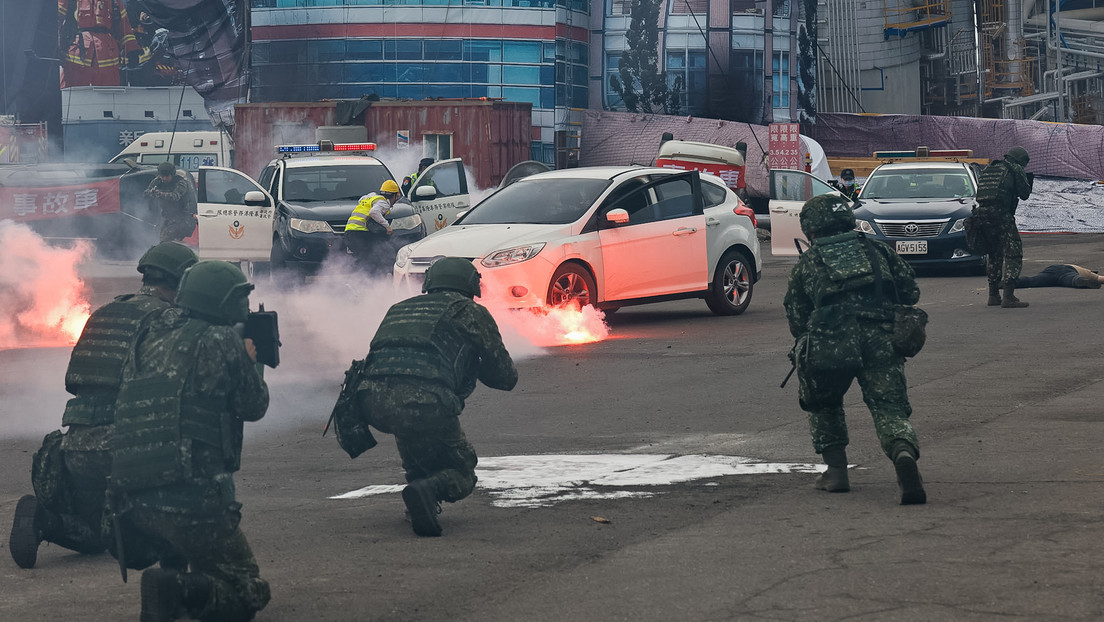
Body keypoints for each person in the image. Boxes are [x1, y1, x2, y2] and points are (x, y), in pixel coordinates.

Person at [8, 242, 198, 570]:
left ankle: (45, 520)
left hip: (75, 449)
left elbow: (76, 382)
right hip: (129, 449)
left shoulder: (102, 312)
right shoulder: (168, 318)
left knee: (95, 536)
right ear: (179, 282)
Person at [107, 260, 270, 621]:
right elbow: (253, 405)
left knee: (184, 535)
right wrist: (250, 361)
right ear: (223, 301)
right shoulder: (220, 340)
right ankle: (176, 589)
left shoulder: (149, 332)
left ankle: (175, 572)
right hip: (191, 498)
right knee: (248, 592)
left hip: (130, 503)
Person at [355, 257, 518, 536]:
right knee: (463, 471)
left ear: (430, 282)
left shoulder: (400, 308)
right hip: (425, 401)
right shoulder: (471, 312)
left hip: (371, 402)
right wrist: (474, 362)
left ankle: (417, 500)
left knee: (415, 448)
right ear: (471, 286)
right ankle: (429, 491)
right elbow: (505, 378)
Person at [783, 195, 926, 505]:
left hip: (831, 341)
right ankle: (902, 452)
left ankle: (836, 473)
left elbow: (796, 314)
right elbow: (910, 290)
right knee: (889, 405)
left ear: (811, 227)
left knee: (824, 401)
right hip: (881, 337)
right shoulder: (876, 250)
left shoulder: (808, 262)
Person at [973, 146, 1034, 308]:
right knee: (1013, 253)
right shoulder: (1015, 169)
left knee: (994, 253)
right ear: (1020, 160)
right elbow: (1025, 194)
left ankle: (993, 295)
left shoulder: (990, 168)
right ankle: (1009, 296)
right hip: (1001, 214)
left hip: (981, 215)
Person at [58, 0, 141, 87]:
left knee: (108, 97)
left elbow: (124, 25)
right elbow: (55, 19)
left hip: (108, 58)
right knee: (72, 96)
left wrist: (132, 50)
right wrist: (54, 48)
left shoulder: (115, 1)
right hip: (77, 57)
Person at [345, 179, 399, 273]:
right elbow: (373, 212)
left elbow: (361, 200)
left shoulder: (371, 196)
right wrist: (387, 227)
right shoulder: (384, 203)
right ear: (394, 195)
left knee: (365, 257)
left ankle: (360, 280)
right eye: (396, 197)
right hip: (360, 233)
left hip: (349, 231)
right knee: (370, 259)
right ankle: (369, 281)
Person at [144, 162, 197, 242]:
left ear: (172, 174)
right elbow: (145, 194)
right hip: (166, 216)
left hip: (182, 218)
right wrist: (151, 192)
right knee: (160, 237)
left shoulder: (181, 183)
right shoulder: (158, 181)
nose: (164, 178)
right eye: (162, 176)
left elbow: (175, 196)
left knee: (166, 239)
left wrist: (160, 194)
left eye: (166, 176)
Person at [1015, 264, 1104, 289]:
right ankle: (1080, 281)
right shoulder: (1089, 273)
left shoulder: (1084, 270)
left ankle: (1009, 282)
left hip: (1051, 269)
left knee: (1033, 280)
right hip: (1068, 270)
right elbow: (1101, 278)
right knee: (1071, 278)